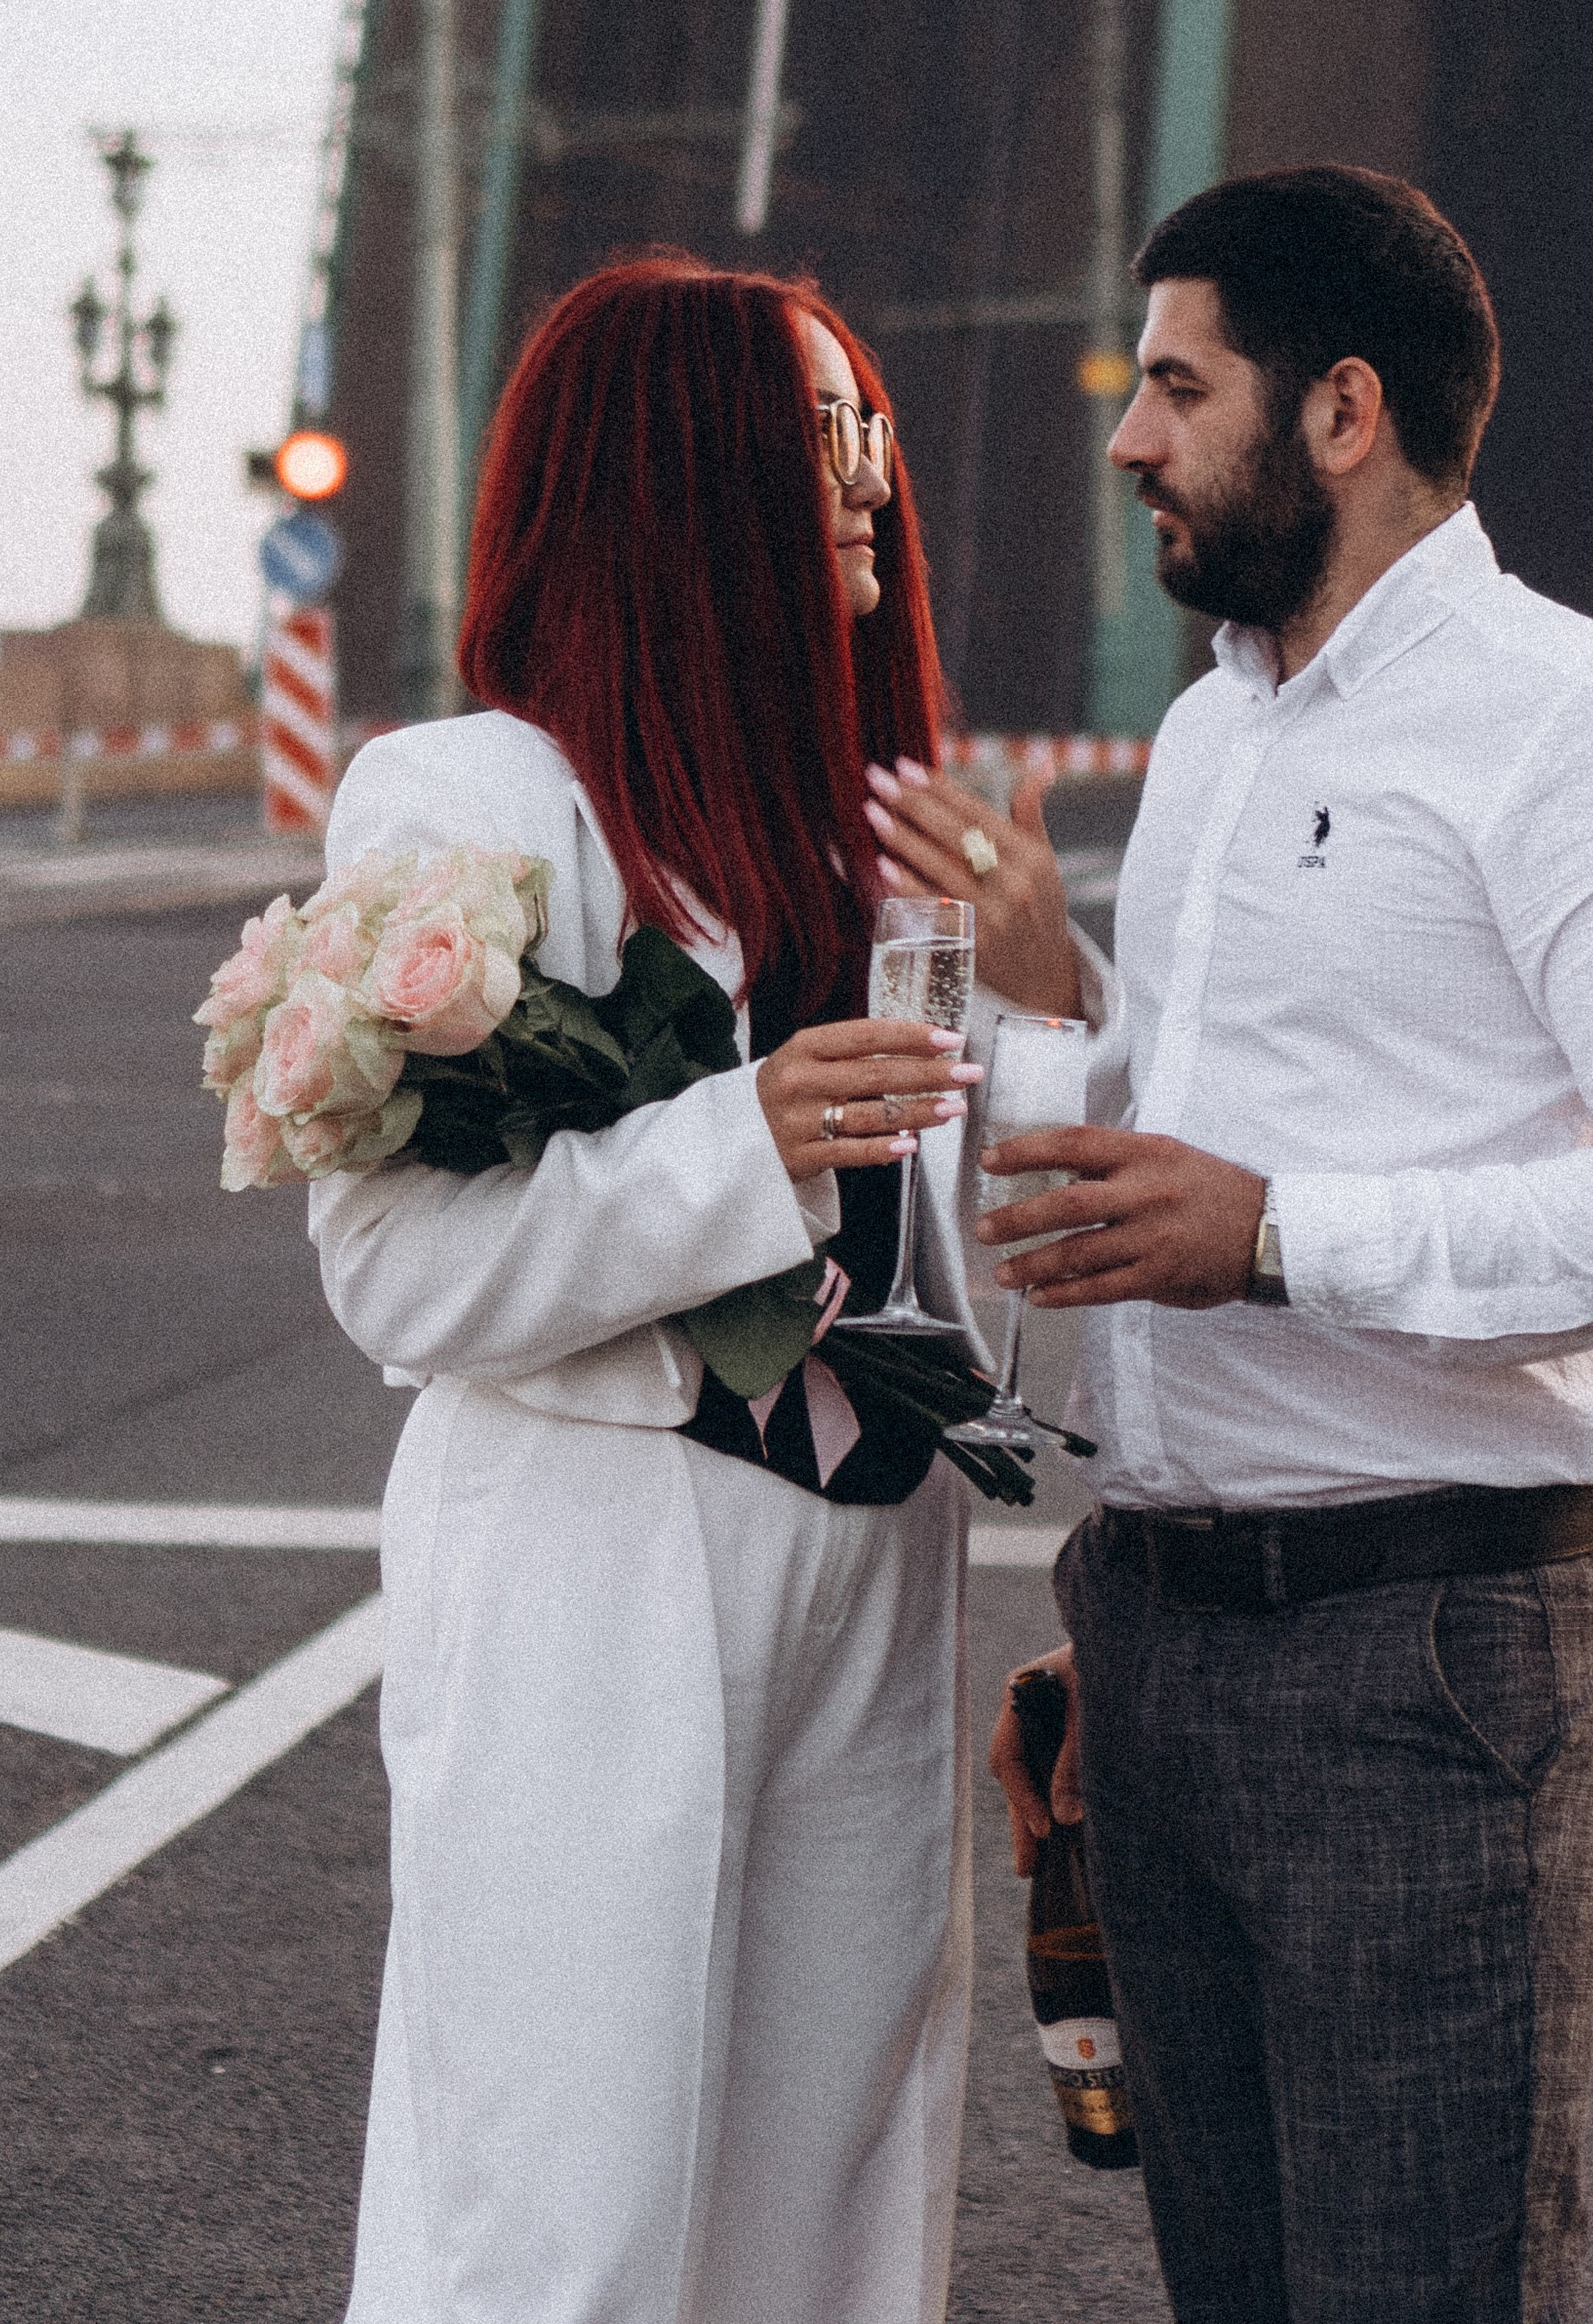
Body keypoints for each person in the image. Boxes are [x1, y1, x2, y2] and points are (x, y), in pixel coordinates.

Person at [879, 165, 1593, 2324]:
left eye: (1172, 383)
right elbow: (1219, 1149)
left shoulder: (1585, 734)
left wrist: (1283, 1240)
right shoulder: (1214, 728)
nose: (1127, 435)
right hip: (1164, 1626)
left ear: (1339, 413)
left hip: (1426, 1655)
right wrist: (1063, 1010)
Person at [308, 255, 1092, 2324]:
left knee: (836, 2189)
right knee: (563, 2200)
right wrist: (737, 1145)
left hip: (870, 1553)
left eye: (870, 435)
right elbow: (394, 1272)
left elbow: (989, 1261)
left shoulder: (881, 834)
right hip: (600, 1558)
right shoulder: (479, 803)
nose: (868, 479)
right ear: (677, 472)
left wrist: (1054, 1001)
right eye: (816, 434)